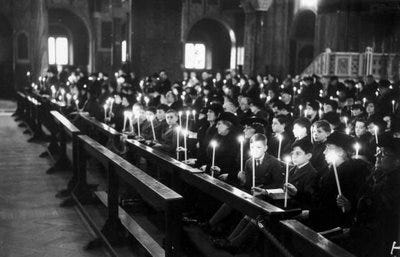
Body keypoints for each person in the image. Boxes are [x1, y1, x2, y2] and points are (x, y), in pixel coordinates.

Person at [284, 140, 318, 209]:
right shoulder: (292, 169)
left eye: (298, 153)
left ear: (308, 156)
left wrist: (297, 192)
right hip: (287, 204)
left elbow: (309, 198)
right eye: (292, 153)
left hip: (298, 209)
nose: (293, 156)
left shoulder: (312, 174)